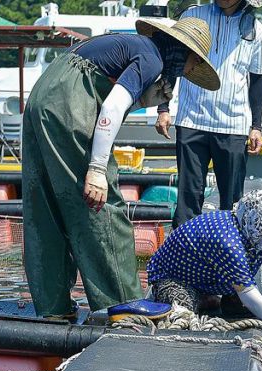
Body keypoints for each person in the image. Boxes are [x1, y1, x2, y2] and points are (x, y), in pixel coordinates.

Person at [21, 17, 220, 319]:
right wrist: (96, 169)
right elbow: (111, 107)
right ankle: (124, 303)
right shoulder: (152, 59)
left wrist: (142, 101)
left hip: (42, 97)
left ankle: (53, 307)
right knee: (102, 204)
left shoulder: (136, 47)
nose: (191, 71)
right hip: (68, 106)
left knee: (46, 205)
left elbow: (98, 90)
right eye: (195, 63)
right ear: (184, 53)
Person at [146, 189, 262, 363]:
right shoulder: (229, 243)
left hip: (211, 277)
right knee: (182, 317)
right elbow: (248, 294)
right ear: (260, 228)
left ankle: (212, 300)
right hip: (175, 278)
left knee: (244, 309)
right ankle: (202, 301)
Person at [155, 0, 262, 227]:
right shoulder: (192, 16)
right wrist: (163, 108)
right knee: (188, 198)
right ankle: (184, 246)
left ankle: (231, 246)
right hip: (191, 119)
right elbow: (173, 61)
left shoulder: (256, 30)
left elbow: (258, 80)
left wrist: (256, 127)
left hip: (233, 125)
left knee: (233, 202)